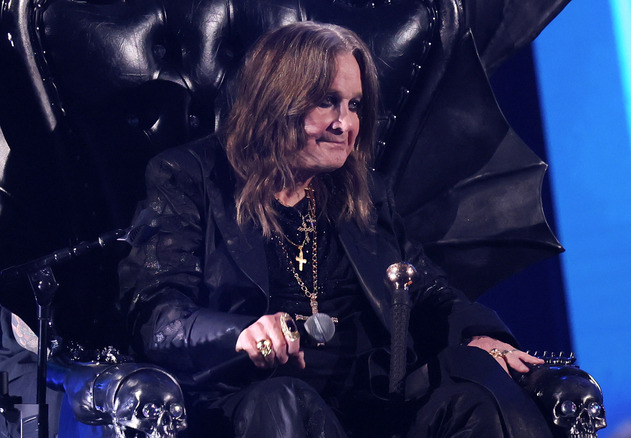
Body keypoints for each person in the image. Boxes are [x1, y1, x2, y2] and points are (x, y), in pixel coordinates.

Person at [119, 21, 552, 438]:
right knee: (281, 398)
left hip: (372, 407)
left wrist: (483, 335)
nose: (344, 124)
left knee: (476, 391)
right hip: (255, 403)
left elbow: (428, 292)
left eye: (355, 105)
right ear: (275, 100)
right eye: (327, 101)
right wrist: (242, 334)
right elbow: (158, 318)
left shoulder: (363, 194)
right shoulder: (188, 177)